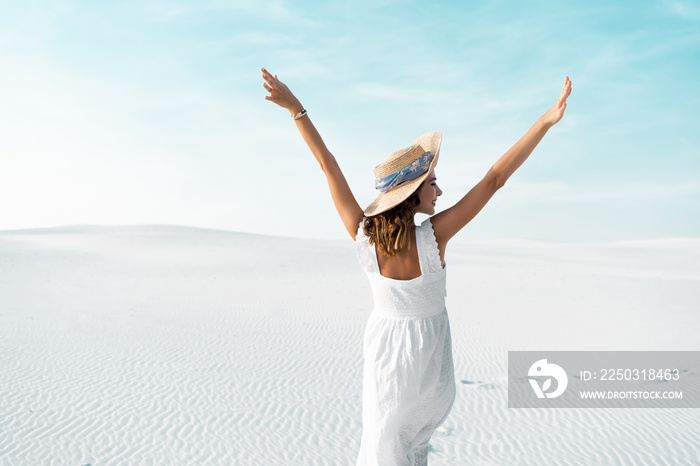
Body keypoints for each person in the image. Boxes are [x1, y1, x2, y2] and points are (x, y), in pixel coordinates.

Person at [261, 67, 572, 466]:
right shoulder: (434, 237)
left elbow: (327, 164)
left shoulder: (364, 236)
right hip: (430, 374)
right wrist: (544, 121)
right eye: (432, 184)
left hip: (387, 364)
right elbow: (495, 179)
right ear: (411, 194)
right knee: (409, 451)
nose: (439, 191)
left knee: (382, 449)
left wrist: (297, 110)